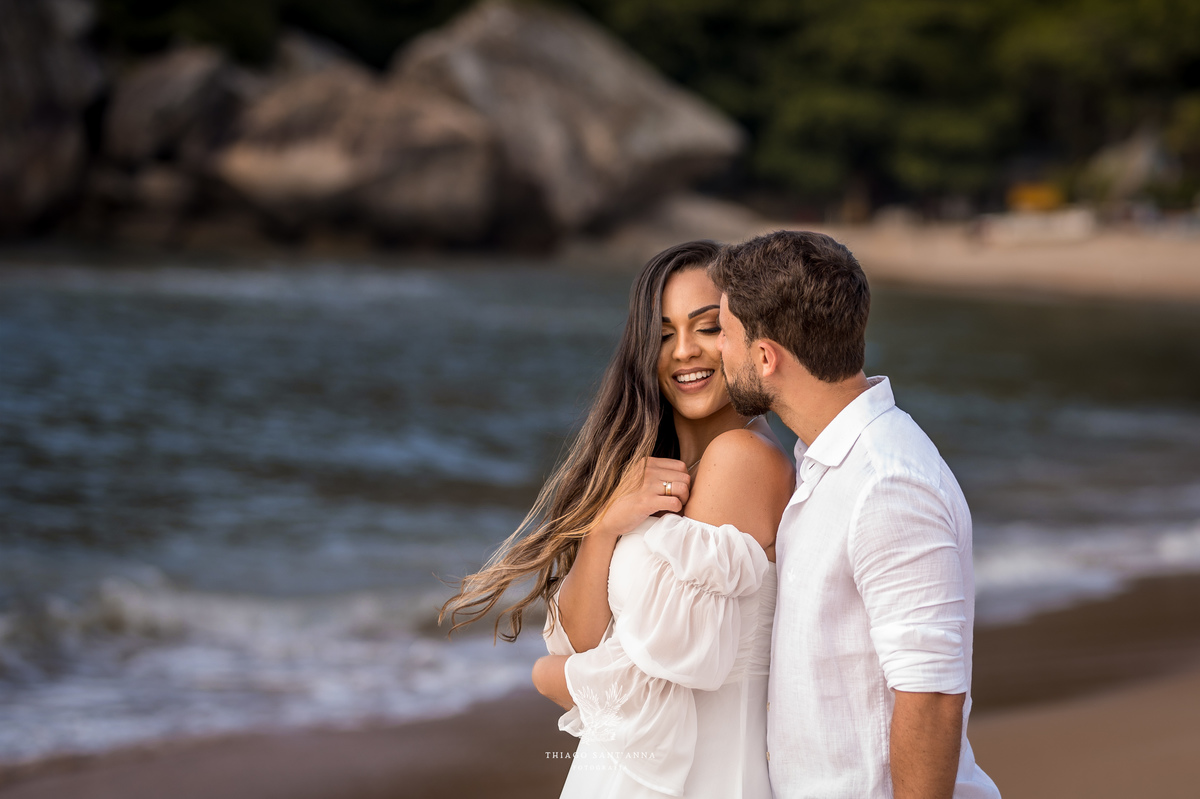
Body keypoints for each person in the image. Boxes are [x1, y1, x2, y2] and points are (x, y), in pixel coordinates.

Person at [440, 241, 793, 798]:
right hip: (636, 772)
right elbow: (583, 643)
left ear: (745, 336)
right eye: (663, 333)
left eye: (706, 328)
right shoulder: (649, 474)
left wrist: (546, 678)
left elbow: (654, 675)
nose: (683, 352)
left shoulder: (742, 459)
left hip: (695, 778)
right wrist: (604, 526)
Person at [710, 230, 1001, 799]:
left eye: (724, 332)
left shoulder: (888, 484)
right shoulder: (826, 464)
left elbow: (933, 698)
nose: (714, 350)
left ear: (765, 357)